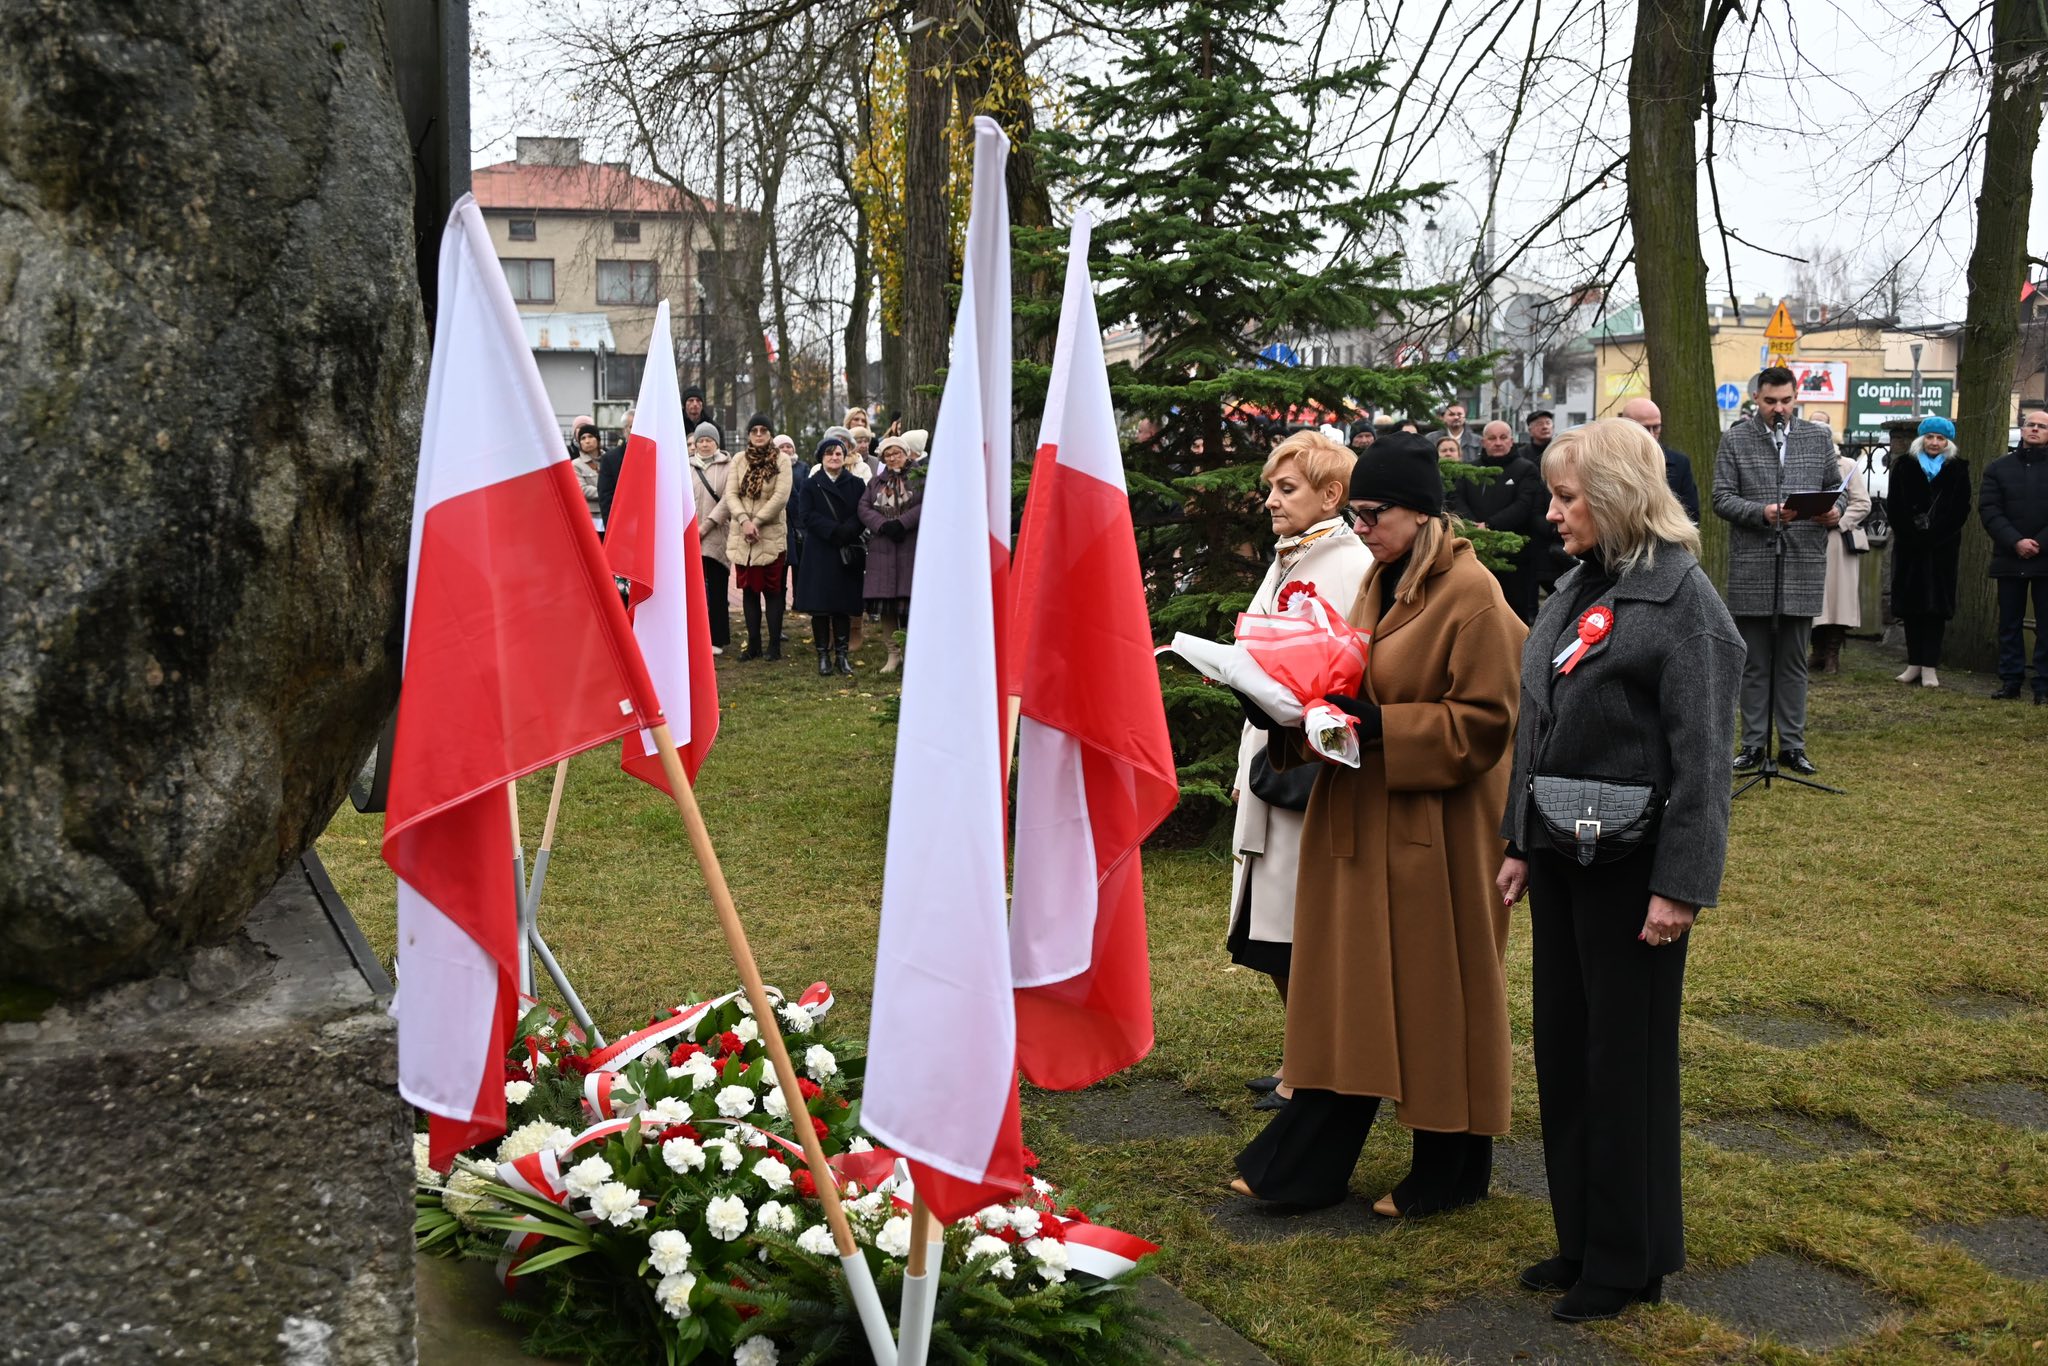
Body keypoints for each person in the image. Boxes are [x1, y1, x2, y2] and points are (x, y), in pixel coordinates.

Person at [1230, 433, 1525, 1218]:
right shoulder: (1381, 583)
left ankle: (1453, 1166)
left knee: (1440, 996)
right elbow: (1345, 688)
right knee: (1350, 993)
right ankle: (1307, 1160)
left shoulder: (1474, 596)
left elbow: (1490, 723)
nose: (1361, 529)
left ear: (1421, 511)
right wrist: (1284, 712)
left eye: (1374, 514)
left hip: (1438, 835)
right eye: (1356, 514)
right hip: (1364, 822)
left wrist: (1387, 724)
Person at [1496, 418, 1742, 1324]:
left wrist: (1680, 885)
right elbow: (1538, 723)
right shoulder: (1574, 588)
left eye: (1568, 498)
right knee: (1566, 1052)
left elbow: (1706, 764)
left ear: (1616, 499)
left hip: (1634, 874)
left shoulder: (1685, 606)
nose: (1552, 512)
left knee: (1623, 1064)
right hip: (1563, 857)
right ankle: (1581, 1239)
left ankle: (1627, 1256)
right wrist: (1520, 842)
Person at [1225, 432, 1370, 1112]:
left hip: (1306, 765)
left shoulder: (1346, 564)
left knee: (1298, 925)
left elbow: (1338, 664)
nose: (1271, 499)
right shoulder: (1292, 557)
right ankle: (1298, 1053)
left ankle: (1312, 1067)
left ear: (1331, 495)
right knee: (1270, 924)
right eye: (1272, 487)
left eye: (1287, 488)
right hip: (1269, 751)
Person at [1711, 367, 1843, 776]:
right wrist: (1761, 512)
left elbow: (1833, 489)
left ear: (1795, 397)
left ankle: (1792, 745)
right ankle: (1752, 744)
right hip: (1754, 563)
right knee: (1753, 662)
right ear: (1757, 400)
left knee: (1793, 662)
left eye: (1786, 401)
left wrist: (1832, 513)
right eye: (1771, 402)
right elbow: (1720, 498)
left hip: (1802, 560)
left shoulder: (1818, 437)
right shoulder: (1735, 439)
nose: (1779, 409)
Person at [1887, 416, 1974, 687]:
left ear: (1948, 442)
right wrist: (1912, 534)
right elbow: (1894, 506)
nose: (1934, 442)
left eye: (1940, 438)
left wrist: (1936, 536)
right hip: (1910, 548)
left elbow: (1961, 509)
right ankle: (1913, 663)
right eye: (1930, 437)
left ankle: (1929, 667)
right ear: (1920, 439)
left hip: (1942, 550)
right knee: (1911, 607)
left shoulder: (1957, 469)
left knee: (1936, 609)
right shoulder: (1903, 466)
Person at [1449, 420, 1546, 623]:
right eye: (1492, 438)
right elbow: (1457, 499)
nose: (1498, 442)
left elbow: (1523, 505)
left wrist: (1490, 525)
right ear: (1483, 442)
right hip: (1475, 553)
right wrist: (1472, 526)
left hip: (1514, 557)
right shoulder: (1470, 470)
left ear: (1512, 440)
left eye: (1503, 437)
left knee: (1513, 614)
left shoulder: (1526, 469)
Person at [1981, 409, 2048, 701]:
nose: (2034, 429)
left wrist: (2039, 543)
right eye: (2030, 425)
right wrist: (2016, 541)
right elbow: (1990, 510)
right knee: (2009, 623)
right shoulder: (1999, 468)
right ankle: (2010, 682)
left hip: (2046, 559)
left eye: (2042, 426)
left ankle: (2043, 686)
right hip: (2009, 556)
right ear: (2021, 430)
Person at [721, 415, 794, 661]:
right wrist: (744, 520)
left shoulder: (781, 460)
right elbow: (730, 494)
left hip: (769, 535)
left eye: (764, 430)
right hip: (743, 535)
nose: (759, 434)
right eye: (755, 430)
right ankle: (753, 645)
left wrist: (757, 522)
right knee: (749, 591)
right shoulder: (739, 460)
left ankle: (774, 645)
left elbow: (781, 496)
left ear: (771, 434)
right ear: (749, 434)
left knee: (773, 592)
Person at [795, 435, 867, 676]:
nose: (834, 457)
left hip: (845, 551)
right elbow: (806, 515)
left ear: (844, 457)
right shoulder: (810, 484)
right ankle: (823, 656)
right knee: (820, 607)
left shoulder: (856, 484)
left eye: (838, 453)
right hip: (820, 551)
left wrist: (848, 531)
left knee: (842, 605)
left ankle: (842, 656)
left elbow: (862, 512)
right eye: (829, 453)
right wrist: (833, 530)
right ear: (821, 458)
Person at [857, 432, 925, 675]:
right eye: (888, 454)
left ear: (906, 454)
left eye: (897, 452)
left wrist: (903, 523)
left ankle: (911, 654)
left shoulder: (919, 477)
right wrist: (883, 525)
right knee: (886, 606)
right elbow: (863, 507)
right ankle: (892, 654)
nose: (893, 457)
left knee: (908, 604)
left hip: (910, 545)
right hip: (882, 548)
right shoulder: (876, 482)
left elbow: (925, 502)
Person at [1809, 448, 1872, 675]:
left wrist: (1837, 520)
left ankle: (1832, 655)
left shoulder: (1847, 465)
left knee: (1838, 602)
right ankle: (1816, 651)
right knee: (1813, 600)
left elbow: (1862, 503)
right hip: (1806, 538)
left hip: (1837, 541)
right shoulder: (1802, 461)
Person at [1617, 397, 1701, 523]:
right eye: (1645, 428)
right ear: (1627, 428)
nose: (1651, 435)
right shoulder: (1611, 462)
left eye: (1656, 428)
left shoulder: (1679, 464)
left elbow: (1692, 515)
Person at [690, 424, 734, 656]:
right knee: (692, 591)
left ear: (717, 443)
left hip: (716, 534)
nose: (705, 444)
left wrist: (706, 525)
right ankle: (693, 636)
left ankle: (717, 637)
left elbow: (729, 499)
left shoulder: (729, 466)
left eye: (709, 440)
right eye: (701, 440)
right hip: (688, 536)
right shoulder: (685, 465)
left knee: (717, 589)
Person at [598, 408, 636, 532]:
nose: (636, 430)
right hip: (622, 527)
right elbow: (606, 497)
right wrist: (612, 528)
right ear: (624, 430)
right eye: (632, 426)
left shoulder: (655, 455)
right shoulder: (610, 458)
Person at [569, 419, 603, 529]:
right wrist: (607, 493)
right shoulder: (576, 464)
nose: (587, 441)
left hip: (611, 511)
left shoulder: (609, 459)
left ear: (597, 439)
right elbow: (582, 489)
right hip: (591, 515)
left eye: (590, 436)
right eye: (583, 438)